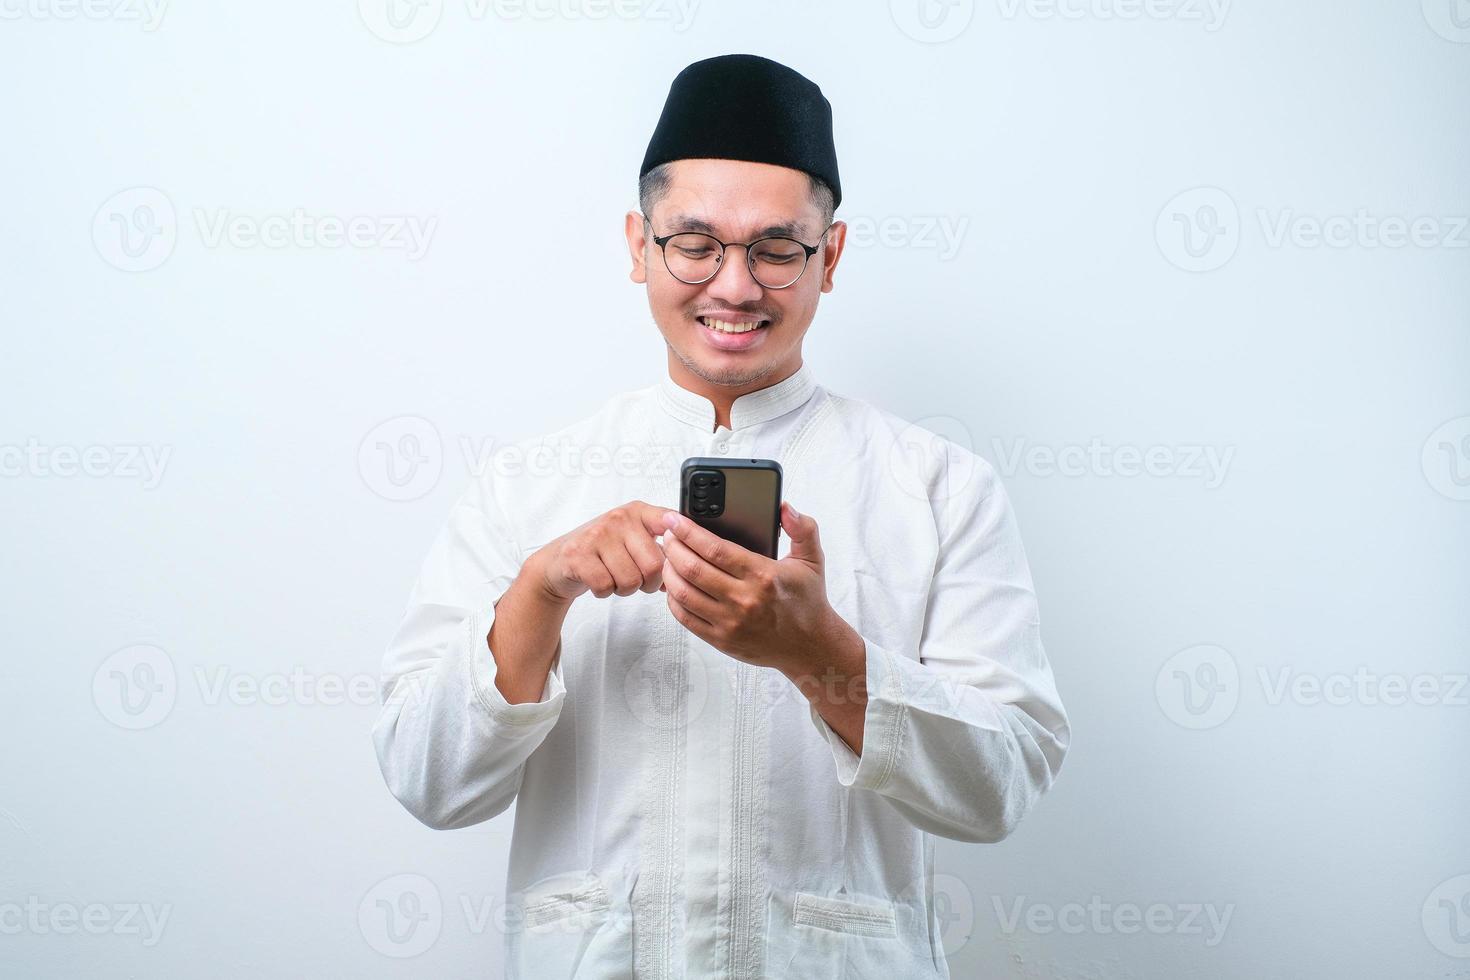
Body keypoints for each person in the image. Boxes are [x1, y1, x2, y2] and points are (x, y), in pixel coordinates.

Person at [372, 52, 1070, 979]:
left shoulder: (938, 487)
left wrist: (823, 657)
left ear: (833, 256)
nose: (734, 287)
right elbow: (430, 782)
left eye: (776, 250)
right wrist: (540, 593)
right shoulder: (527, 484)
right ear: (637, 244)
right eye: (694, 244)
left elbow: (1004, 786)